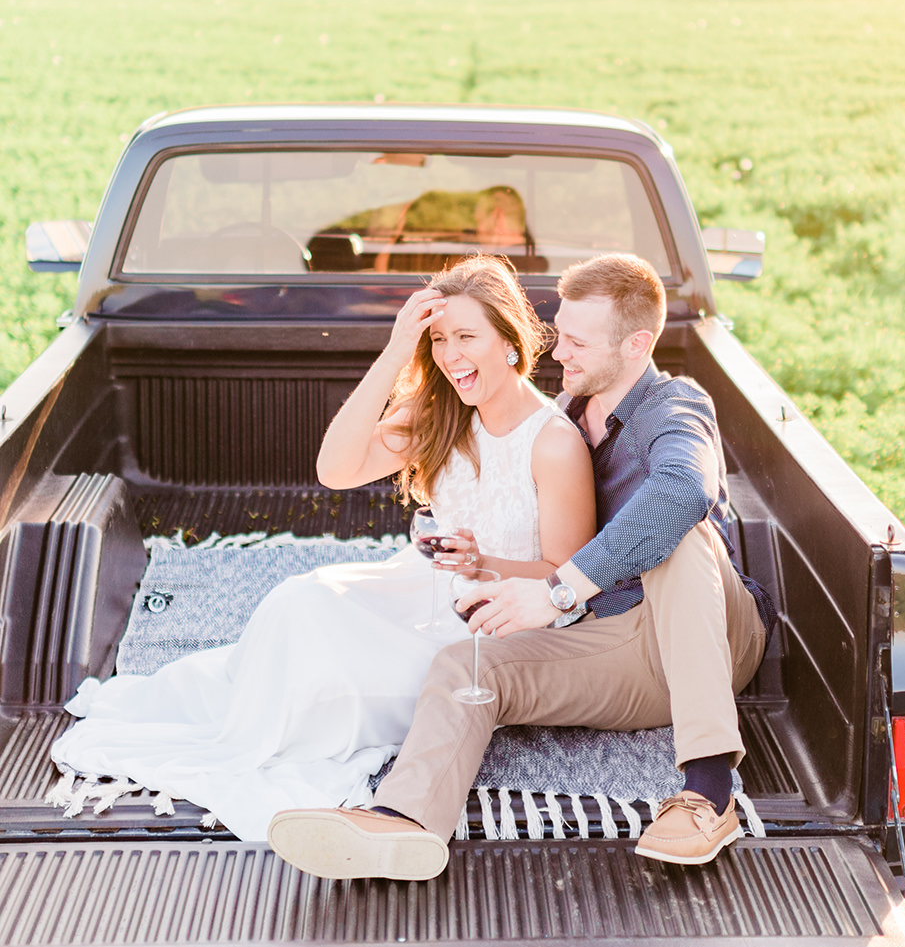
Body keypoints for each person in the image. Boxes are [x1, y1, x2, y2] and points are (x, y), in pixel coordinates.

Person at [50, 256, 595, 842]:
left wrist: (480, 562)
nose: (451, 356)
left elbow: (565, 577)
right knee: (295, 603)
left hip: (494, 621)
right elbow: (336, 469)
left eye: (468, 337)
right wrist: (395, 354)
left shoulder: (554, 443)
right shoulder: (439, 413)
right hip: (422, 585)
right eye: (438, 339)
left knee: (327, 678)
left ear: (510, 341)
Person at [267, 253, 776, 881]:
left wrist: (560, 589)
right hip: (618, 647)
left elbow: (682, 490)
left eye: (578, 341)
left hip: (715, 637)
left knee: (681, 533)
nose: (558, 351)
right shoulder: (561, 412)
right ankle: (405, 824)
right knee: (466, 662)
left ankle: (708, 792)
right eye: (560, 333)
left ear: (637, 345)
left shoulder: (676, 409)